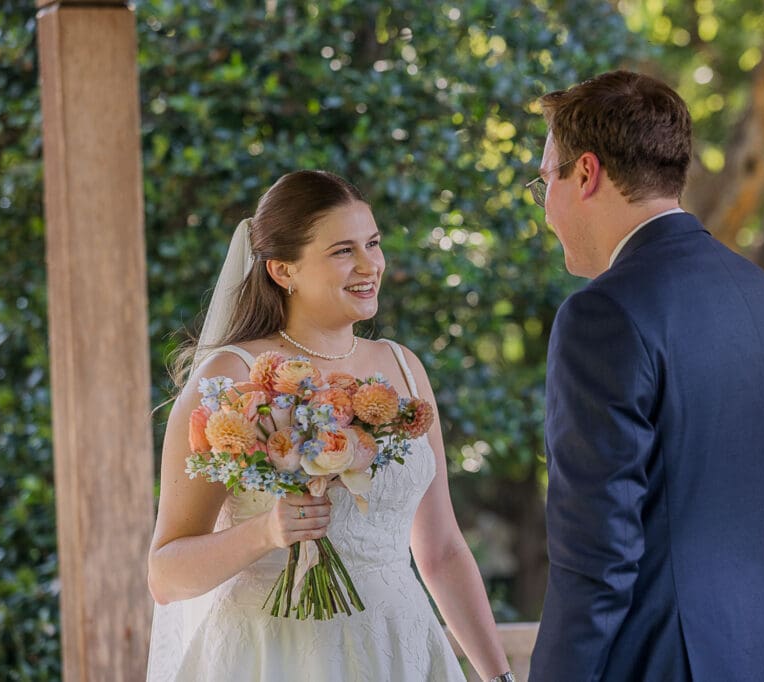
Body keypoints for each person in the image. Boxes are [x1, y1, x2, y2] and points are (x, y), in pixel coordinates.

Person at [145, 170, 513, 682]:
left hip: (395, 650)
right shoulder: (229, 376)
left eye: (373, 243)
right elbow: (166, 577)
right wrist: (266, 532)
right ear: (282, 270)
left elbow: (443, 550)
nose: (369, 265)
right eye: (343, 251)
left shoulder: (401, 368)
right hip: (271, 655)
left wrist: (500, 677)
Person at [526, 70, 764, 681]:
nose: (546, 207)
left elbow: (596, 556)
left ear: (585, 174)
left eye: (544, 181)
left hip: (666, 661)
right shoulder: (762, 297)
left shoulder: (601, 314)